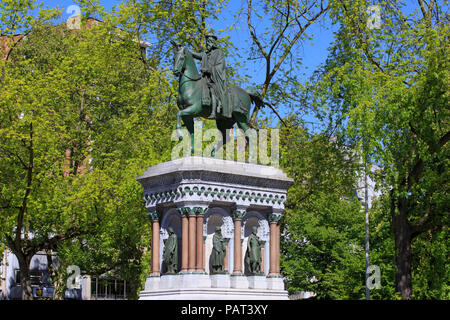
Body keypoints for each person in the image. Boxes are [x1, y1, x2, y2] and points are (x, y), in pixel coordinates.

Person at [191, 32, 230, 119]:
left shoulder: (219, 52)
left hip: (214, 78)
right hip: (205, 78)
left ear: (213, 42)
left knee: (212, 90)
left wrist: (208, 70)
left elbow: (220, 66)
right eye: (206, 42)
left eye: (208, 42)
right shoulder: (205, 54)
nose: (207, 44)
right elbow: (197, 55)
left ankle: (213, 112)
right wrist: (186, 50)